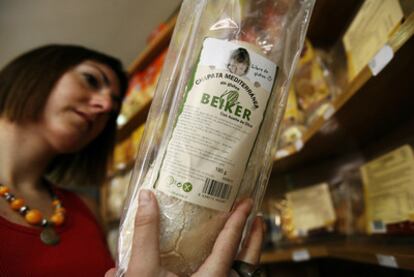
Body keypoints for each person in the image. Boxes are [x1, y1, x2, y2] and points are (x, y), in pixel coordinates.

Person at [0, 45, 264, 277]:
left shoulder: (85, 209)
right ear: (35, 72)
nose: (105, 105)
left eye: (114, 106)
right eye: (91, 80)